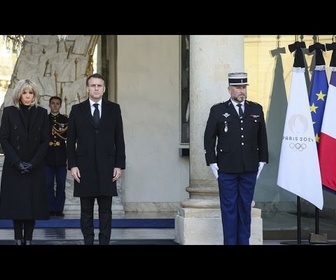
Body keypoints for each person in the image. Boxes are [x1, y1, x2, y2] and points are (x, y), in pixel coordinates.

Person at [203, 72, 269, 245]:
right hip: (226, 169)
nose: (242, 91)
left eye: (244, 87)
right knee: (229, 210)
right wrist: (212, 162)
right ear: (229, 89)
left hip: (249, 168)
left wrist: (262, 160)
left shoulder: (256, 109)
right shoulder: (218, 110)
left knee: (245, 209)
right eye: (238, 87)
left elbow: (262, 137)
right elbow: (209, 138)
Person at [67, 73, 126, 245]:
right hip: (84, 168)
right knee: (86, 210)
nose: (96, 88)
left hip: (108, 166)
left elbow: (119, 139)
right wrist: (73, 165)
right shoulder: (77, 110)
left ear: (104, 89)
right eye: (93, 85)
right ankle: (88, 241)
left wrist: (119, 165)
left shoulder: (114, 109)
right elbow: (70, 141)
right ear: (87, 88)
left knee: (106, 210)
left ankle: (104, 242)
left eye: (99, 85)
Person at [0, 79, 50, 245]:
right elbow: (4, 139)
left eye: (31, 93)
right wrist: (17, 162)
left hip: (34, 166)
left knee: (32, 206)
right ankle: (17, 238)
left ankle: (28, 239)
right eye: (25, 92)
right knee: (17, 205)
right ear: (19, 94)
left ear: (35, 95)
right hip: (14, 166)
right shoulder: (8, 112)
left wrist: (33, 163)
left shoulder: (42, 113)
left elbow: (45, 141)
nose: (28, 96)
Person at [45, 96, 69, 218]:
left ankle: (59, 209)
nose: (55, 105)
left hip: (60, 156)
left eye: (57, 103)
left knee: (61, 184)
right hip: (47, 156)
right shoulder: (44, 119)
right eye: (53, 103)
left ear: (60, 105)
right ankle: (50, 208)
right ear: (49, 105)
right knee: (48, 184)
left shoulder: (65, 120)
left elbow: (69, 137)